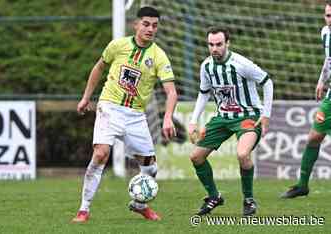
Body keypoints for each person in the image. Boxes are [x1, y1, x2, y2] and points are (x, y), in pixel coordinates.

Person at [71, 6, 177, 223]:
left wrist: (167, 117)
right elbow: (98, 68)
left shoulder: (158, 56)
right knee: (101, 154)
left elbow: (171, 91)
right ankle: (83, 210)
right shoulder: (118, 45)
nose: (150, 29)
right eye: (146, 24)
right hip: (109, 107)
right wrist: (86, 98)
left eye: (155, 26)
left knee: (150, 167)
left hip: (135, 115)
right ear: (136, 25)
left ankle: (139, 205)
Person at [188, 27, 273, 216]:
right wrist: (193, 121)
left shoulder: (241, 64)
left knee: (243, 154)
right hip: (223, 118)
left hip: (248, 116)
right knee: (196, 157)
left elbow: (267, 82)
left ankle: (249, 200)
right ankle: (214, 197)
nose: (214, 48)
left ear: (227, 43)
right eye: (211, 44)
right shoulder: (206, 66)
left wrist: (266, 115)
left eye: (219, 44)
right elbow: (204, 94)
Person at [281, 2, 331, 199]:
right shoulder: (325, 33)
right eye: (328, 15)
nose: (330, 19)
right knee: (314, 137)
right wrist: (321, 81)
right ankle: (302, 185)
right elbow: (328, 60)